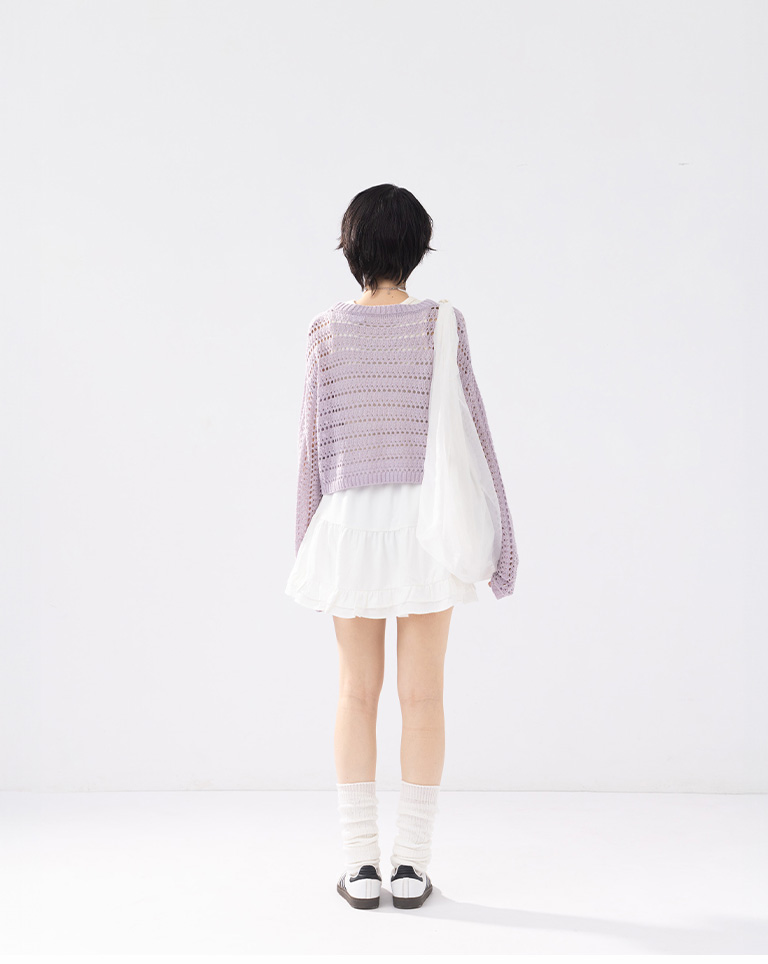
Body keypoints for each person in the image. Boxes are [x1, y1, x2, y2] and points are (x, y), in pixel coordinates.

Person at [284, 183, 519, 909]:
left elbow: (313, 445)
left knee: (355, 693)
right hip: (428, 525)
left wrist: (306, 541)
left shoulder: (325, 328)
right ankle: (411, 865)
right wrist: (503, 539)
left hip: (349, 525)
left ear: (350, 247)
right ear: (417, 248)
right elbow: (474, 434)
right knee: (424, 695)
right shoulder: (443, 323)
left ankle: (360, 864)